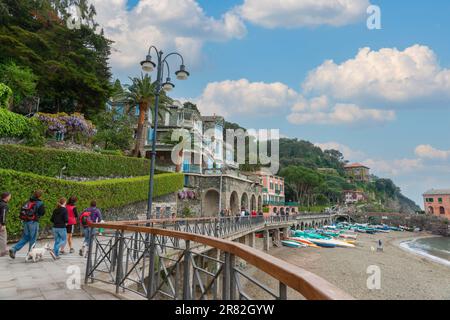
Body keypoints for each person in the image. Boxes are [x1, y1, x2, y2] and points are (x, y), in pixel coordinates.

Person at [9, 190, 46, 259]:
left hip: (26, 221)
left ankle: (14, 249)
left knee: (26, 237)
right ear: (40, 196)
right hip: (33, 222)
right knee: (33, 238)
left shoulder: (28, 201)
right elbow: (42, 213)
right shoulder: (40, 203)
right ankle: (31, 254)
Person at [0, 192, 11, 257]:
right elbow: (3, 215)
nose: (10, 198)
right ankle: (2, 251)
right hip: (0, 223)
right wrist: (3, 224)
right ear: (6, 197)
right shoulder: (4, 205)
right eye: (9, 196)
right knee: (3, 237)